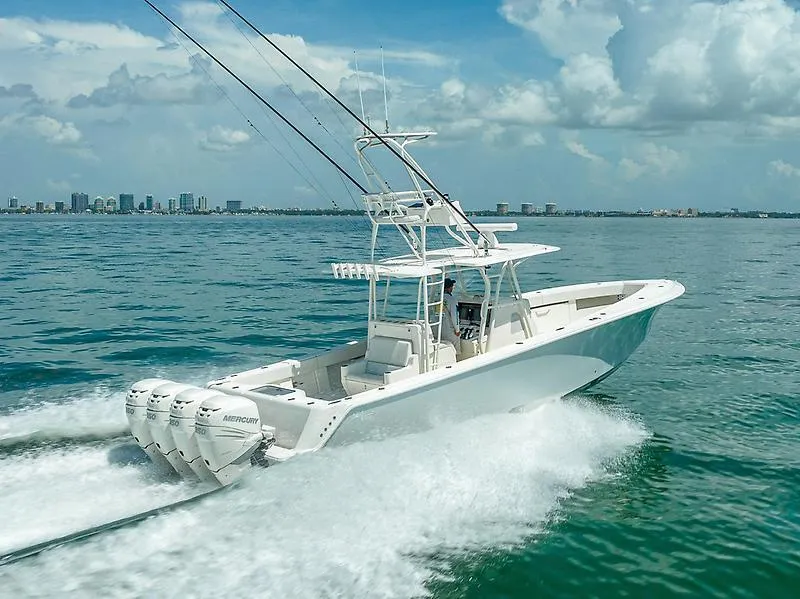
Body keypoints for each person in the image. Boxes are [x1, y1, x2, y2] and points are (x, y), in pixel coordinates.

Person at [441, 277, 461, 353]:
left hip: (438, 329)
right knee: (455, 350)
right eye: (452, 286)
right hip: (450, 330)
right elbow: (454, 316)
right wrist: (457, 330)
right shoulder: (452, 300)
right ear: (449, 288)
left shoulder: (437, 298)